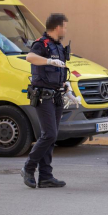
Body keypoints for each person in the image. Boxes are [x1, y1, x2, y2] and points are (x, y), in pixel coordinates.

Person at [21, 14, 69, 189]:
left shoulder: (58, 46)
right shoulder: (41, 44)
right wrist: (48, 60)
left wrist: (67, 87)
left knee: (51, 136)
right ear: (57, 27)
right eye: (64, 27)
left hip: (56, 94)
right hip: (43, 95)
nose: (65, 30)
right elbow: (30, 58)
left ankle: (46, 176)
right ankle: (28, 167)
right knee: (49, 134)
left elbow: (59, 70)